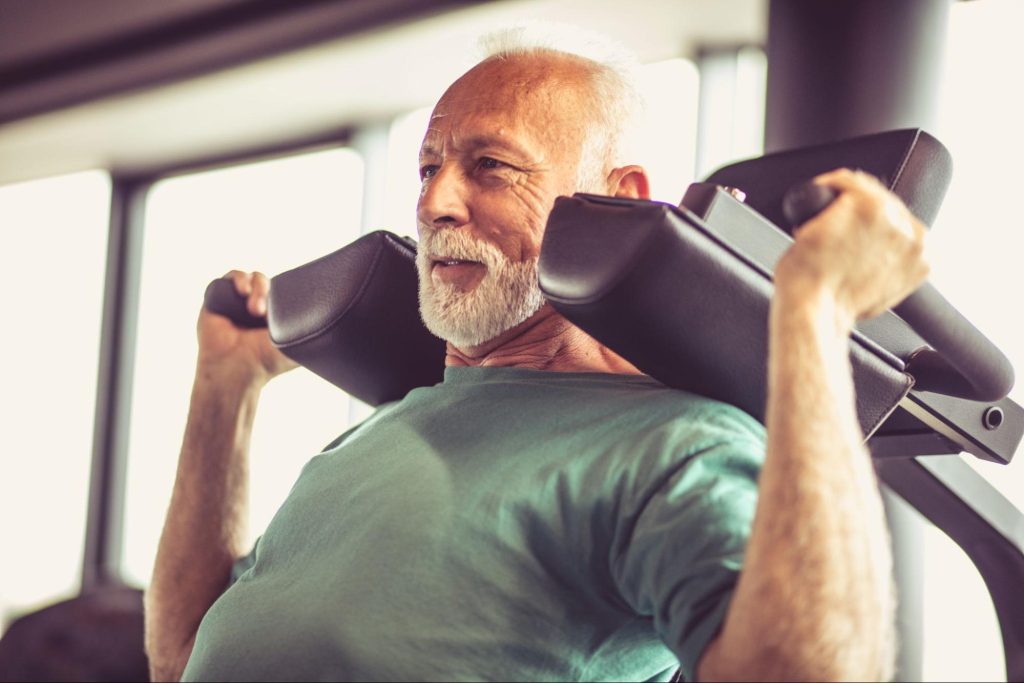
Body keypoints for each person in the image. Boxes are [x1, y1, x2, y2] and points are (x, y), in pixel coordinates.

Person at [145, 25, 928, 683]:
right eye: (428, 167)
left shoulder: (673, 447)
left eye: (490, 165)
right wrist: (225, 384)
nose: (434, 203)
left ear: (616, 197)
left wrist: (817, 315)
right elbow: (182, 655)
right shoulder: (369, 438)